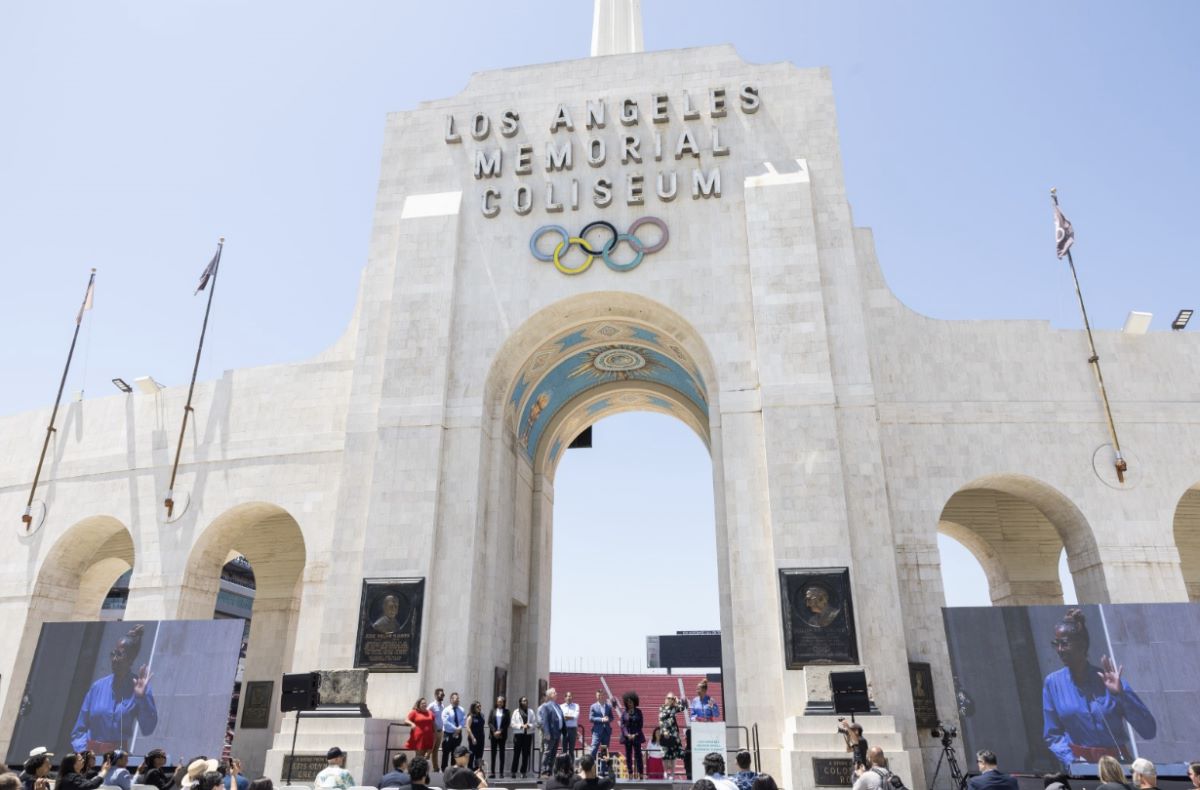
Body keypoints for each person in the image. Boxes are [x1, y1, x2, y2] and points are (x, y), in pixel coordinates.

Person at [1043, 608, 1156, 767]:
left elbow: (1149, 731)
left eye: (1065, 644)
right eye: (1056, 644)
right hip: (1081, 768)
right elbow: (1053, 734)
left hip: (1118, 767)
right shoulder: (1052, 683)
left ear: (1082, 645)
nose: (1059, 650)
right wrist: (1073, 762)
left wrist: (1121, 695)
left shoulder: (1110, 680)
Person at [71, 624, 158, 752]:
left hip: (118, 761)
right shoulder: (97, 687)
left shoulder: (139, 689)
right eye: (113, 654)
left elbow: (148, 729)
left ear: (130, 659)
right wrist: (84, 752)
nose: (114, 659)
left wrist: (141, 698)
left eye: (119, 654)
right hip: (90, 758)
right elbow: (79, 730)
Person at [658, 692, 688, 778]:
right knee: (665, 754)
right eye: (668, 698)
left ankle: (672, 773)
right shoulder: (662, 708)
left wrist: (677, 700)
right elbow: (661, 720)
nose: (670, 700)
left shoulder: (674, 708)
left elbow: (682, 708)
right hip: (665, 733)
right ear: (666, 699)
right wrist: (664, 731)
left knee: (673, 754)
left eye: (671, 698)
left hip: (674, 733)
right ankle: (665, 772)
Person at [538, 687, 565, 777]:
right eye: (554, 693)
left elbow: (560, 718)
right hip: (550, 734)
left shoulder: (557, 705)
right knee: (547, 752)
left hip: (557, 733)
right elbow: (545, 721)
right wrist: (547, 733)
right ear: (549, 695)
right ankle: (543, 770)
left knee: (553, 753)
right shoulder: (546, 706)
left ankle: (549, 770)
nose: (556, 693)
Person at [620, 692, 645, 780]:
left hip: (637, 737)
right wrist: (627, 734)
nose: (629, 703)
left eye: (631, 701)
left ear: (634, 701)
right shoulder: (624, 713)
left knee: (638, 755)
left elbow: (640, 725)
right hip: (627, 738)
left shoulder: (639, 712)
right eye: (627, 702)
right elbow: (622, 725)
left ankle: (641, 774)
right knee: (628, 756)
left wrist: (635, 734)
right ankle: (630, 773)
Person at [441, 692, 466, 772]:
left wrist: (459, 728)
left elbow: (463, 720)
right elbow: (445, 722)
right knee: (446, 752)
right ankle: (444, 770)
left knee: (455, 753)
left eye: (458, 698)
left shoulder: (461, 709)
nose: (458, 700)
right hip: (448, 734)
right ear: (451, 699)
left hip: (458, 734)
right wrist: (455, 728)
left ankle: (453, 770)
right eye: (456, 698)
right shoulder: (446, 710)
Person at [511, 696, 535, 779]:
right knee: (516, 754)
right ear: (520, 702)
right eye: (523, 701)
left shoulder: (531, 711)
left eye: (526, 701)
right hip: (518, 735)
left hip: (527, 735)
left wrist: (529, 725)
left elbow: (534, 723)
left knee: (525, 755)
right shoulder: (516, 712)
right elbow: (512, 724)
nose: (525, 702)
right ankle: (513, 772)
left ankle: (523, 772)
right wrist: (521, 726)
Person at [488, 696, 511, 779]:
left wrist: (500, 731)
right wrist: (494, 731)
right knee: (493, 754)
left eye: (501, 701)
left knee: (502, 754)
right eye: (498, 701)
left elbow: (507, 723)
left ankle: (501, 773)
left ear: (504, 702)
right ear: (496, 702)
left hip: (502, 735)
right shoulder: (492, 711)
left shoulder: (507, 711)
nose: (500, 703)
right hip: (493, 735)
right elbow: (489, 722)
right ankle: (492, 772)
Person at [588, 691, 614, 759]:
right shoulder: (593, 706)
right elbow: (591, 718)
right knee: (593, 749)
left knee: (604, 751)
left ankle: (603, 769)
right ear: (596, 696)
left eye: (602, 695)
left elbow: (612, 718)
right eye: (598, 695)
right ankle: (590, 767)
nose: (600, 697)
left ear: (604, 696)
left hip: (606, 731)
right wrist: (601, 719)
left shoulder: (608, 706)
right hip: (597, 731)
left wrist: (608, 718)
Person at [466, 701, 486, 771]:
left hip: (481, 737)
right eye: (477, 707)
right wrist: (472, 738)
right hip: (473, 738)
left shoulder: (482, 715)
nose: (479, 708)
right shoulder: (471, 716)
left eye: (480, 706)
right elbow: (468, 728)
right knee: (472, 754)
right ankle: (469, 769)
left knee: (480, 755)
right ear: (474, 708)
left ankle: (479, 769)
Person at [430, 689, 447, 771]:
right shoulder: (432, 706)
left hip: (440, 731)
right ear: (436, 695)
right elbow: (426, 716)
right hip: (433, 732)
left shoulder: (442, 706)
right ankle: (423, 768)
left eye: (443, 695)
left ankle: (436, 768)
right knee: (429, 750)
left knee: (435, 750)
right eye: (441, 695)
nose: (443, 696)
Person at [561, 691, 580, 759]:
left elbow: (575, 716)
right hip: (564, 730)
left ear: (572, 697)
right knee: (564, 750)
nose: (569, 698)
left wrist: (566, 717)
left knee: (571, 750)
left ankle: (571, 767)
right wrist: (569, 717)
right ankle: (563, 768)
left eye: (570, 696)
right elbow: (561, 717)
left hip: (573, 729)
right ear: (565, 698)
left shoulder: (576, 706)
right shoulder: (561, 706)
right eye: (567, 696)